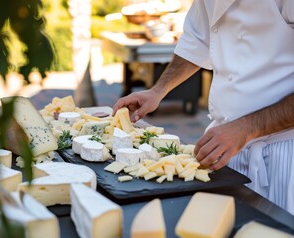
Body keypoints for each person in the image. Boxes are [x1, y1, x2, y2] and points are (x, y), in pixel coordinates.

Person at [113, 0, 294, 215]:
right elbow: (196, 40)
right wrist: (157, 91)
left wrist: (246, 128)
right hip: (224, 147)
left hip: (282, 153)